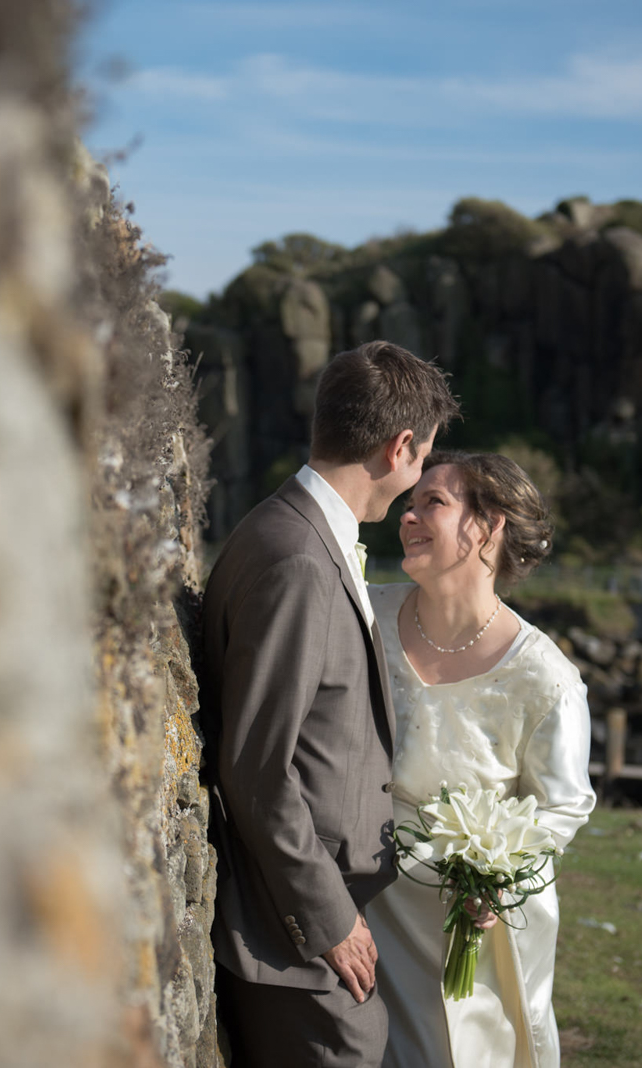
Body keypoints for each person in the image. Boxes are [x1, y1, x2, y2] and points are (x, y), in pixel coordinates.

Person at [201, 341, 459, 1068]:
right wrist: (328, 918)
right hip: (293, 938)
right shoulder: (299, 561)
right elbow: (257, 765)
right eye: (422, 458)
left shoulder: (292, 530)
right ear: (399, 447)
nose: (415, 482)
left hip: (307, 925)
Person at [364, 451, 596, 1068]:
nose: (407, 517)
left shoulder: (545, 680)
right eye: (409, 504)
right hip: (360, 890)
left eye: (432, 503)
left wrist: (499, 876)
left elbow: (564, 806)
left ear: (489, 527)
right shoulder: (366, 614)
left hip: (465, 921)